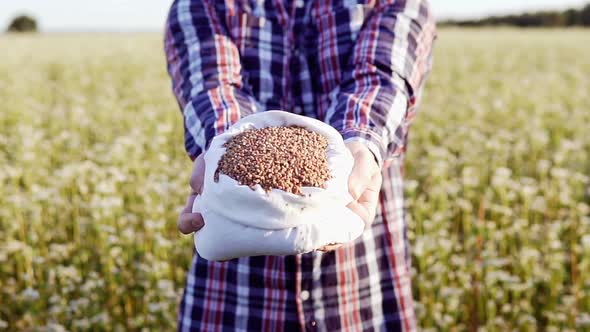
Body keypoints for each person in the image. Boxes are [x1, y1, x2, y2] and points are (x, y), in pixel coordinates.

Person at [164, 0, 436, 330]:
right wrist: (228, 143)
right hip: (234, 296)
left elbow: (381, 76)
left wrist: (361, 144)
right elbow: (214, 86)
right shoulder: (204, 4)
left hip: (359, 287)